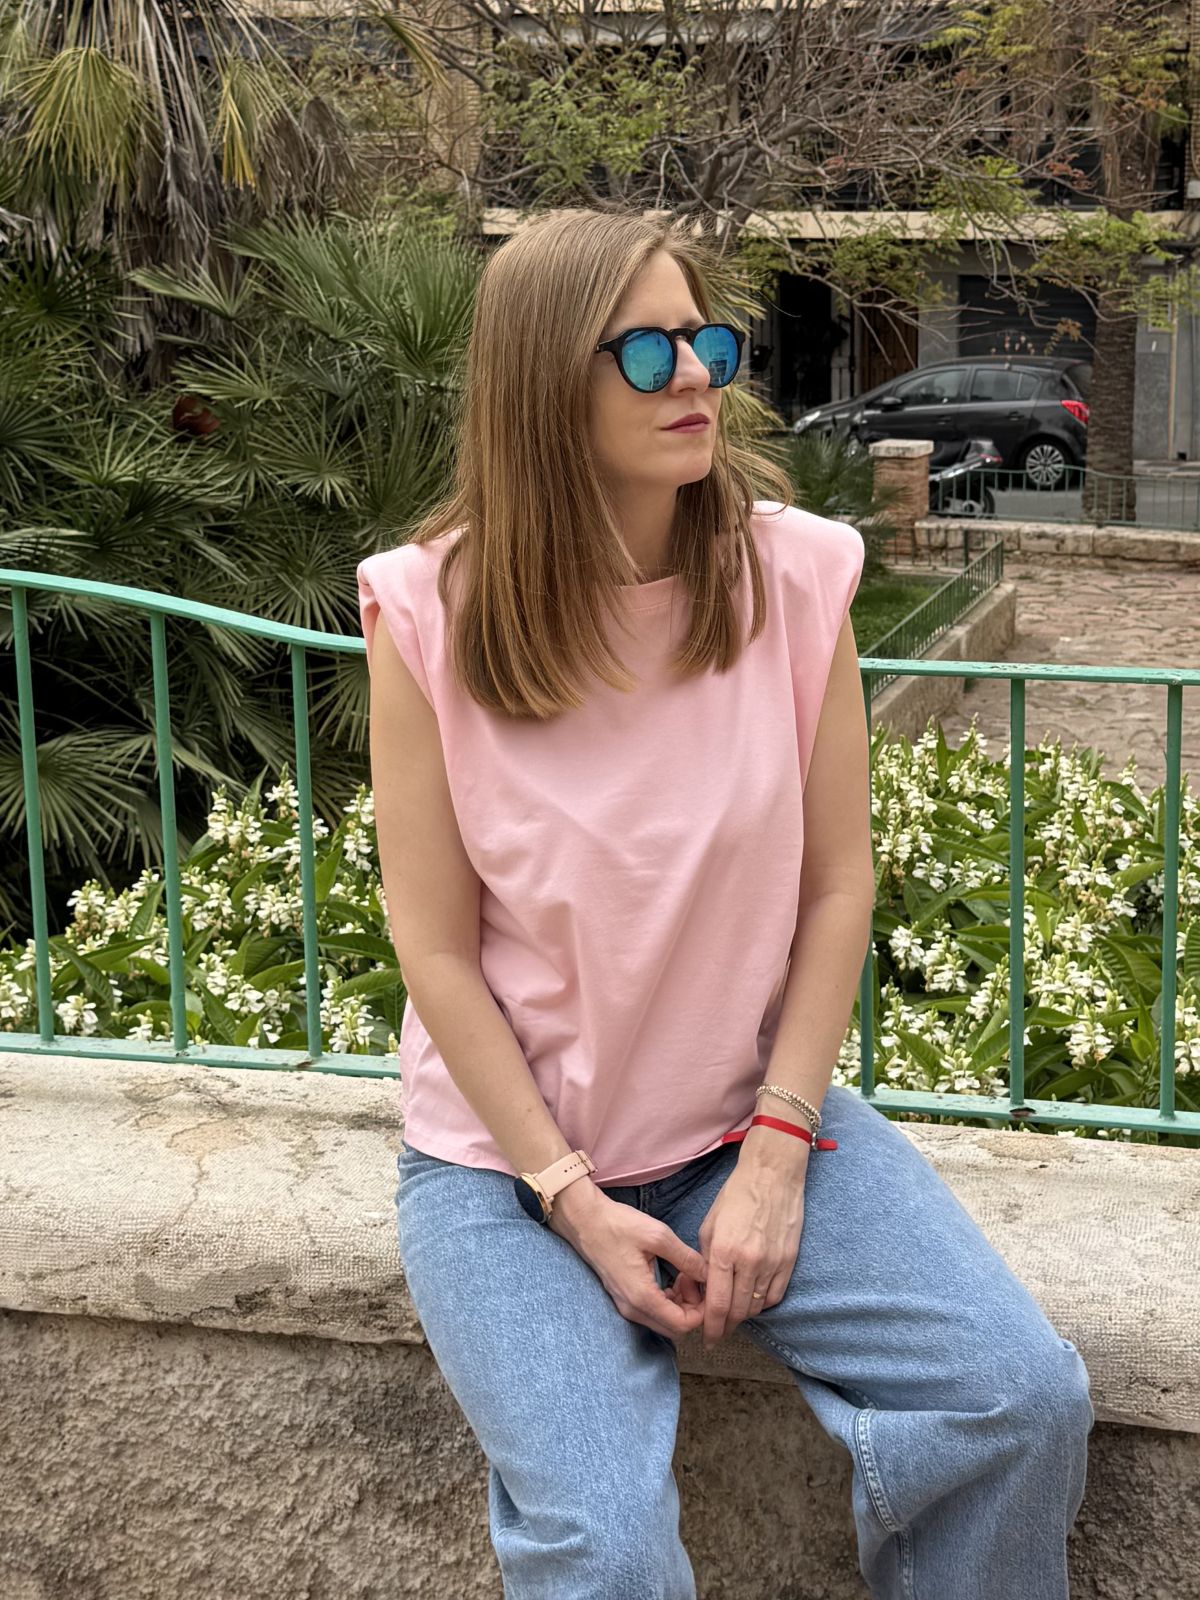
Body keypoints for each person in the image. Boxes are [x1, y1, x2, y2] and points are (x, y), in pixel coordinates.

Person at [356, 206, 1093, 1600]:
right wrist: (570, 1198)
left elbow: (837, 884)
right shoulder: (430, 613)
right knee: (607, 1547)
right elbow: (434, 950)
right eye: (646, 352)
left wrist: (775, 1151)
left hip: (744, 1125)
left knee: (1017, 1398)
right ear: (543, 386)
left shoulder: (795, 578)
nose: (695, 374)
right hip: (507, 1172)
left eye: (707, 340)